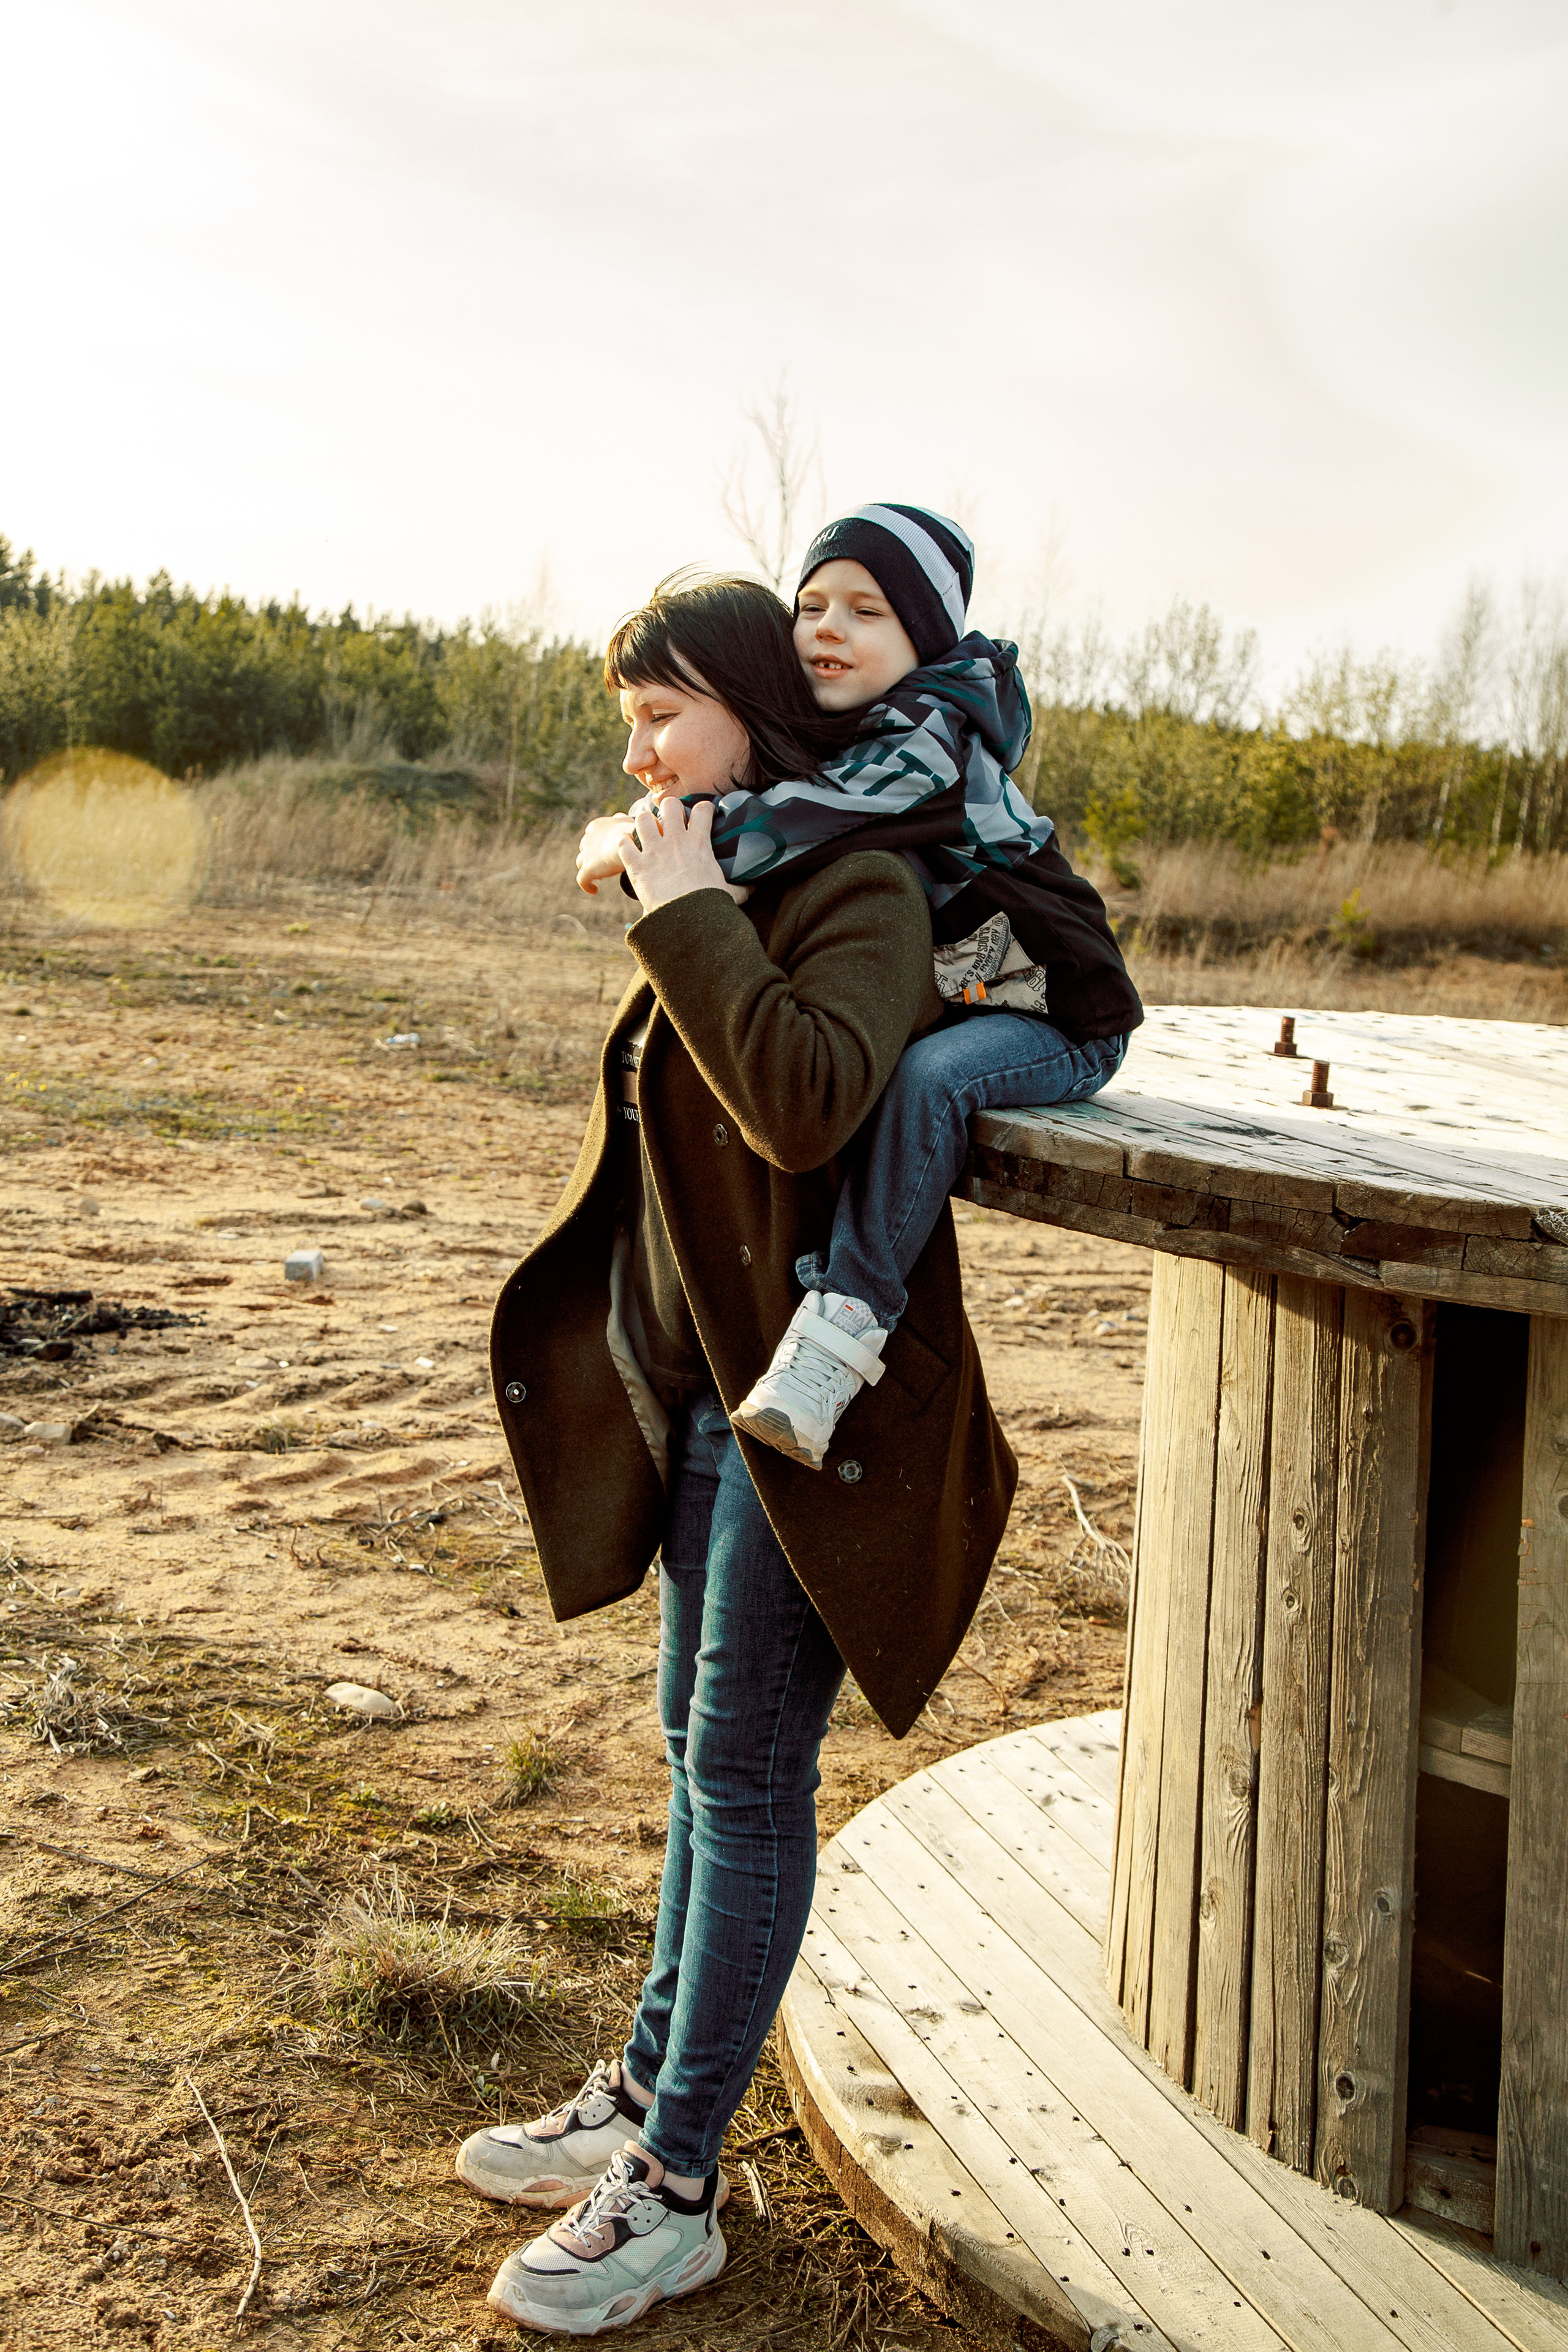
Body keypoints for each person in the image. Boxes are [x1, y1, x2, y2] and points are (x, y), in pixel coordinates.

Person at [463, 574, 1016, 2334]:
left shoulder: (857, 884)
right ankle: (640, 2097)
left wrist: (683, 900)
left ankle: (678, 2186)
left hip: (816, 1420)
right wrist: (662, 871)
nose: (633, 750)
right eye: (627, 718)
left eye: (660, 715)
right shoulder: (753, 860)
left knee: (746, 1776)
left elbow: (802, 1097)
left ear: (753, 714)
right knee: (697, 1755)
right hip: (714, 1399)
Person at [578, 505, 1142, 1470]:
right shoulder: (857, 738)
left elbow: (800, 823)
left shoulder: (931, 735)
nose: (828, 628)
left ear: (924, 637)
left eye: (867, 611)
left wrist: (646, 851)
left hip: (1059, 1006)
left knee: (930, 1081)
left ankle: (840, 1335)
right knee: (920, 1065)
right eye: (811, 605)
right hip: (982, 980)